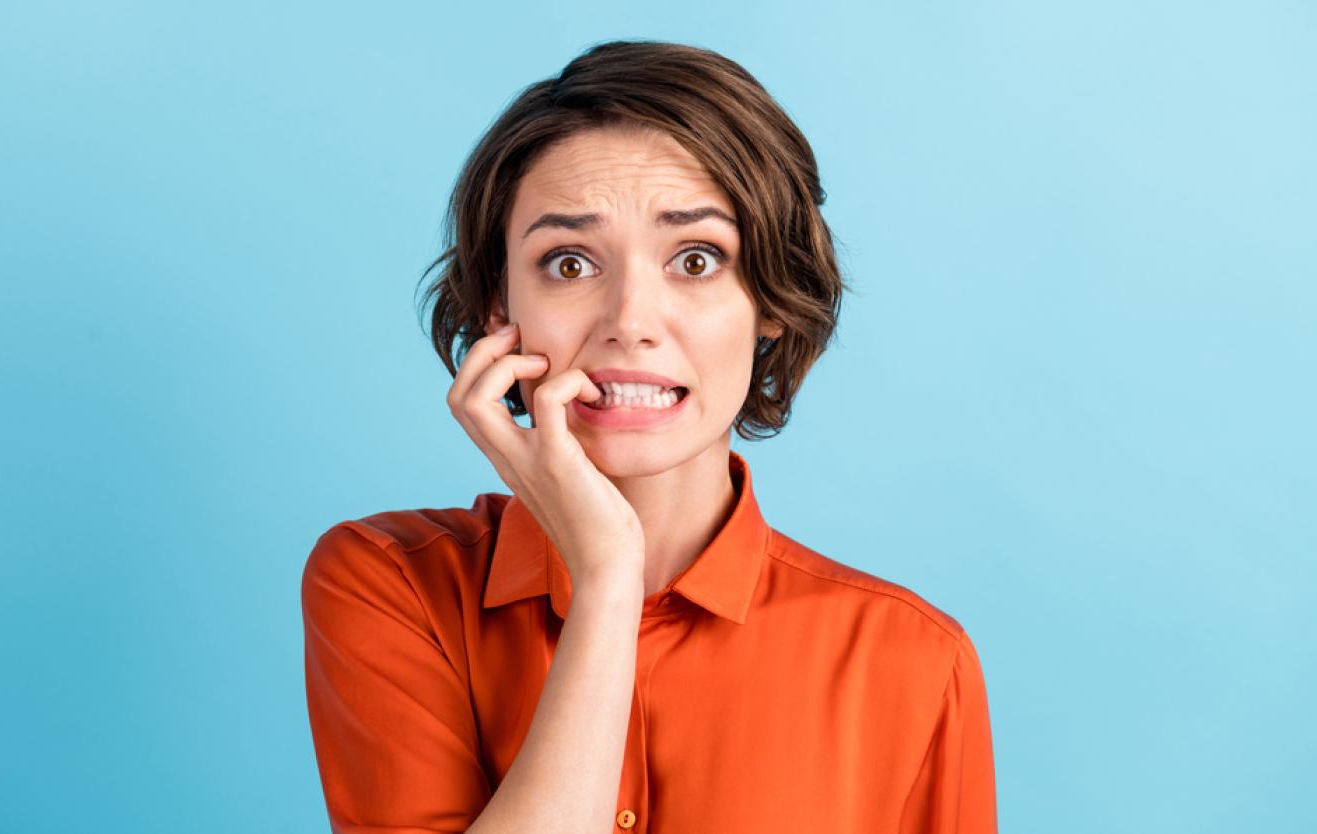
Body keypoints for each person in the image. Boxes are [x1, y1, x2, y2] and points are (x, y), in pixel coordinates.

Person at [301, 39, 997, 834]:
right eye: (568, 264)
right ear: (499, 308)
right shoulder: (391, 584)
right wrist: (606, 578)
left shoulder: (910, 660)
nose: (630, 323)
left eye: (696, 259)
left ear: (770, 298)